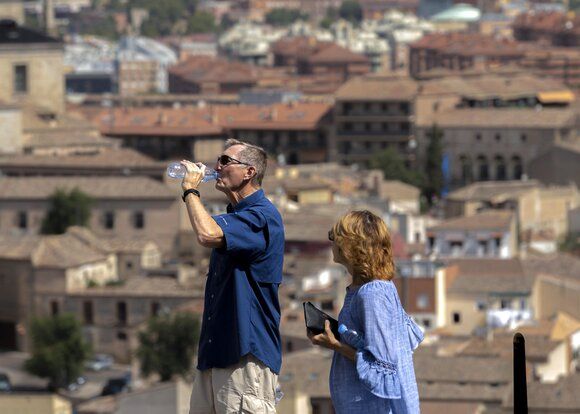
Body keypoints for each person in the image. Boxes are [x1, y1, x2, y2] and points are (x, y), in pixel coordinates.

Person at [181, 139, 284, 414]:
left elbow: (207, 233)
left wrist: (190, 190)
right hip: (215, 356)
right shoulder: (237, 217)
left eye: (226, 161)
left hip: (244, 357)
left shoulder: (261, 217)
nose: (217, 167)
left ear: (250, 172)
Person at [308, 210, 423, 414]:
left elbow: (384, 368)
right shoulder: (367, 288)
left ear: (351, 246)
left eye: (334, 237)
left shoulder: (372, 294)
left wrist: (335, 345)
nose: (331, 242)